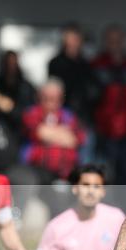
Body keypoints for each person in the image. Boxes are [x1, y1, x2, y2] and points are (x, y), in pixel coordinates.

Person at [91, 25, 126, 185]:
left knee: (124, 172)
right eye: (111, 40)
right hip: (103, 129)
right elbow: (90, 98)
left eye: (118, 40)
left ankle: (123, 208)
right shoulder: (97, 66)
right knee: (102, 171)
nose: (114, 44)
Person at [48, 23, 99, 163]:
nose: (72, 43)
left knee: (85, 159)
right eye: (69, 39)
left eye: (75, 39)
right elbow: (54, 92)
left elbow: (94, 90)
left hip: (84, 118)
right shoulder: (56, 63)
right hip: (63, 117)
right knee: (62, 158)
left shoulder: (86, 64)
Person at [0, 50, 35, 125]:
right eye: (8, 63)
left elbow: (29, 111)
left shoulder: (26, 87)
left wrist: (11, 108)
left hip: (19, 127)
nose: (11, 67)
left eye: (13, 63)